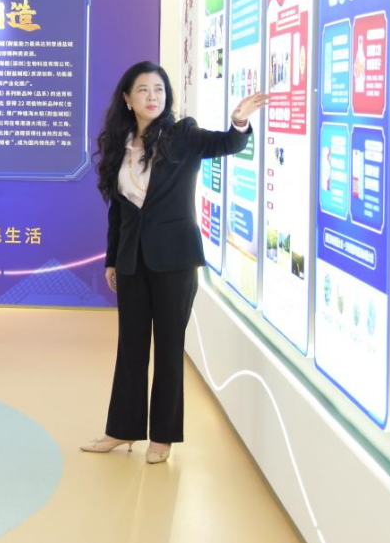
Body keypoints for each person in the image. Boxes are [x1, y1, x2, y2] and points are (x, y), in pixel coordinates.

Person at [83, 61, 267, 464]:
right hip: (132, 261)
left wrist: (239, 122)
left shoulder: (182, 134)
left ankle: (163, 437)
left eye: (159, 90)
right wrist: (112, 260)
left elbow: (226, 144)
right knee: (131, 348)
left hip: (175, 261)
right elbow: (119, 212)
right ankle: (122, 429)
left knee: (168, 348)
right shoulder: (120, 146)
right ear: (128, 99)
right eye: (143, 90)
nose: (152, 97)